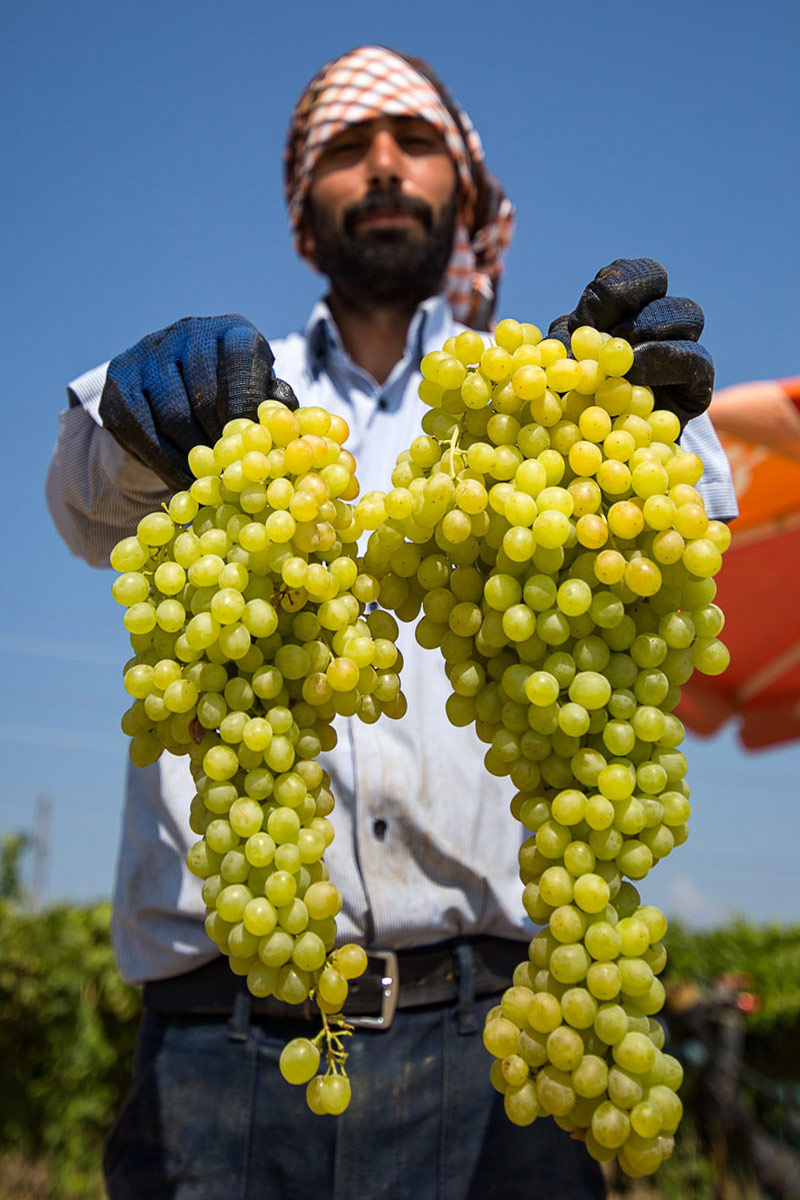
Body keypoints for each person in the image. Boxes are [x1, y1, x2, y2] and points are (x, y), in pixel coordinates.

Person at [47, 44, 737, 1200]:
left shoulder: (530, 397)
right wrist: (124, 412)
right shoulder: (233, 395)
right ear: (300, 202)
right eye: (344, 149)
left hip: (510, 1037)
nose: (380, 168)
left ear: (460, 192)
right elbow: (84, 504)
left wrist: (623, 429)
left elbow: (690, 535)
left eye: (412, 143)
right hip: (219, 1051)